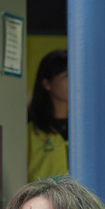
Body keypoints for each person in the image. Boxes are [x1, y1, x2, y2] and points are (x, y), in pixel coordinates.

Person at [28, 49, 70, 181]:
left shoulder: (86, 127)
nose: (75, 81)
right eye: (67, 76)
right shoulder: (30, 129)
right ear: (47, 84)